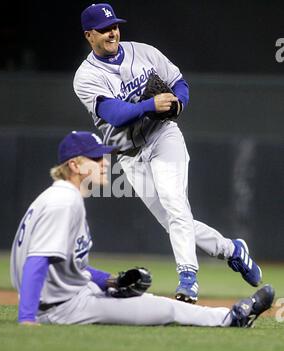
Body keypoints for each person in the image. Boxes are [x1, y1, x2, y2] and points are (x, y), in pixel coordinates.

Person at [73, 3, 262, 303]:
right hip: (129, 154)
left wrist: (178, 103)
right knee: (174, 221)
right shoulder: (85, 77)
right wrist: (150, 104)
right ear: (89, 35)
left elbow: (178, 82)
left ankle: (188, 279)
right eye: (105, 29)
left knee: (176, 205)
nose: (113, 32)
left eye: (115, 26)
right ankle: (232, 250)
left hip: (163, 136)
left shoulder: (144, 52)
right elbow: (115, 113)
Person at [10, 131, 274, 326]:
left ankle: (230, 316)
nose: (104, 163)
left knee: (151, 303)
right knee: (164, 309)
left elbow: (70, 267)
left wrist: (111, 281)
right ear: (74, 165)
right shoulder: (65, 202)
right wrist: (26, 319)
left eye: (104, 157)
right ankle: (233, 318)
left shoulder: (58, 197)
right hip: (63, 308)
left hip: (72, 295)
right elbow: (37, 261)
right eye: (95, 158)